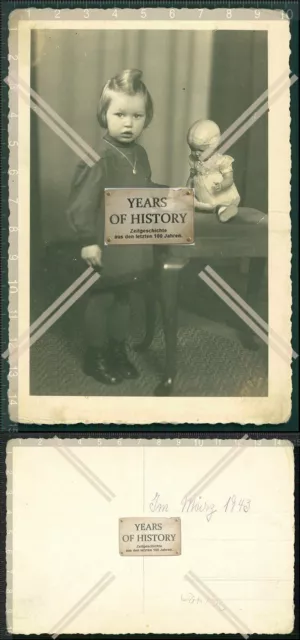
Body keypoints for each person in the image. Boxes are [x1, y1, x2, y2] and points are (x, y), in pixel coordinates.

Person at [66, 69, 161, 385]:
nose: (128, 123)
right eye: (119, 114)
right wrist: (87, 240)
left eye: (137, 115)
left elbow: (143, 193)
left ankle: (117, 350)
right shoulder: (98, 156)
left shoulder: (141, 154)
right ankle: (96, 355)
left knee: (124, 297)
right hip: (104, 244)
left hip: (131, 243)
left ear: (146, 119)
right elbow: (81, 202)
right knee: (102, 298)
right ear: (103, 115)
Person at [186, 119, 240, 222]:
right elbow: (192, 176)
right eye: (192, 149)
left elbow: (229, 179)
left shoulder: (221, 161)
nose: (196, 153)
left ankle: (225, 211)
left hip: (217, 193)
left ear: (213, 147)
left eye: (201, 150)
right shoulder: (194, 161)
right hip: (201, 193)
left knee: (219, 205)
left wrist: (222, 185)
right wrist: (187, 188)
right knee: (195, 204)